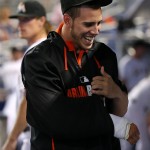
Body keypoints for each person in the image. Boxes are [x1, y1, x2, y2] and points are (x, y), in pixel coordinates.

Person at [21, 0, 139, 150]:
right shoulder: (39, 59)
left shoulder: (105, 54)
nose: (96, 30)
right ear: (67, 20)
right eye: (88, 24)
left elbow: (118, 111)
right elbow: (57, 118)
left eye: (99, 23)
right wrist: (119, 126)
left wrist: (116, 93)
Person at [2, 1, 52, 150]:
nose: (20, 24)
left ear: (41, 21)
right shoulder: (46, 47)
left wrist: (11, 140)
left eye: (26, 19)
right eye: (19, 20)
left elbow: (29, 99)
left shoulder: (37, 52)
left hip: (37, 137)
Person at [120, 75, 150, 150]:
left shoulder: (146, 81)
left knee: (127, 142)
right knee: (144, 142)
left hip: (129, 105)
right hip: (136, 108)